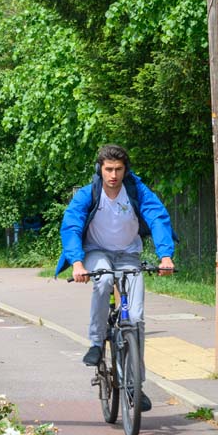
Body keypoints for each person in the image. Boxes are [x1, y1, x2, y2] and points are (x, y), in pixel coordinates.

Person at [56, 144, 176, 412]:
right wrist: (77, 263)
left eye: (118, 169)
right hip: (96, 252)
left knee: (135, 318)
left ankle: (136, 386)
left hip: (128, 254)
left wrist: (165, 255)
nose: (113, 175)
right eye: (108, 169)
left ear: (125, 170)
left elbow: (157, 217)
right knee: (103, 281)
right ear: (100, 168)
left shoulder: (135, 191)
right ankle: (97, 343)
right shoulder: (89, 194)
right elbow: (72, 225)